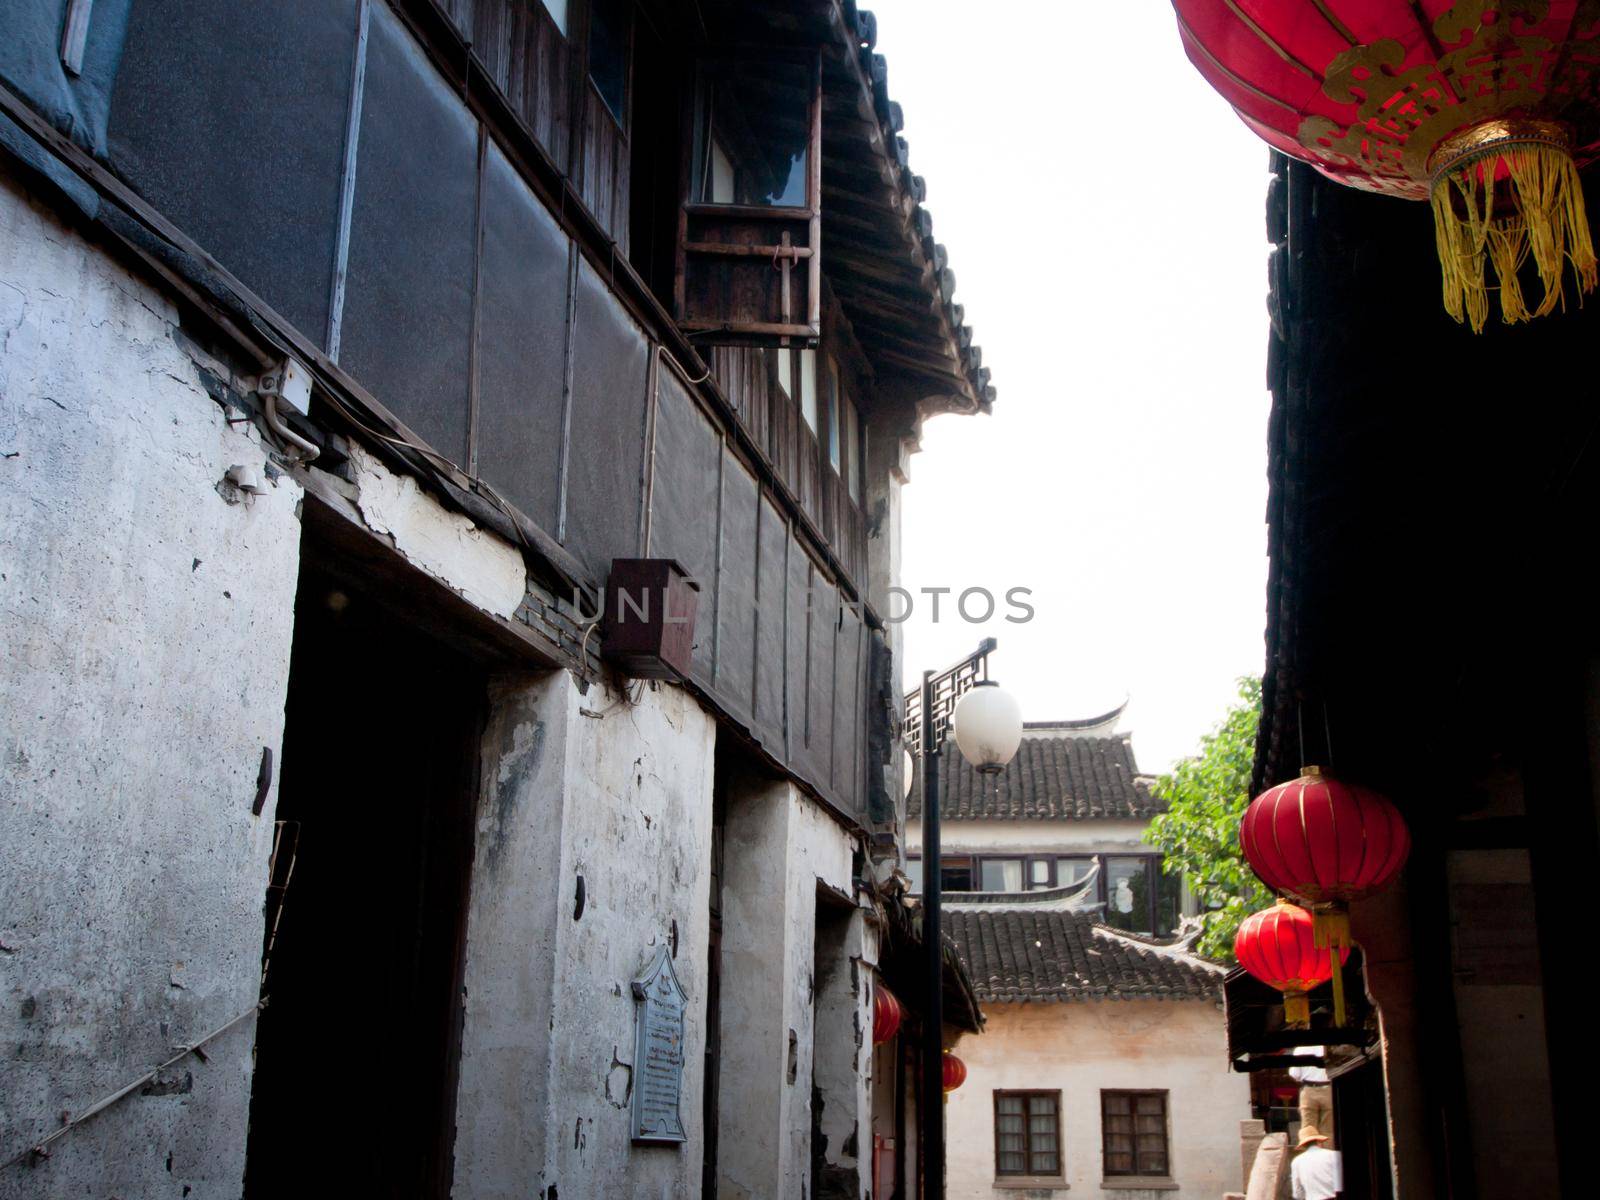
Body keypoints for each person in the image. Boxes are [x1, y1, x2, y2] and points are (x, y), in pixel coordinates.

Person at [1289, 1045, 1332, 1145]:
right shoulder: (1328, 1048)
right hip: (1328, 1089)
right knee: (1328, 1130)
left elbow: (1295, 1074)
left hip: (1308, 1089)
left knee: (1308, 1129)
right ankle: (1327, 1154)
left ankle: (1310, 1155)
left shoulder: (1300, 1049)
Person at [1290, 1130, 1342, 1200]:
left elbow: (1297, 1193)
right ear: (1319, 1141)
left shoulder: (1296, 1161)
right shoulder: (1334, 1155)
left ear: (1303, 1145)